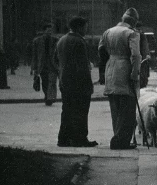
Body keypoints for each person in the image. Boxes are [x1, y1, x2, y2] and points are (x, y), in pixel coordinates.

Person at [99, 8, 142, 150]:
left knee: (115, 109)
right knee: (128, 109)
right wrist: (134, 75)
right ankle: (121, 141)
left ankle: (117, 137)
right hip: (125, 70)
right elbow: (135, 56)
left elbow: (101, 50)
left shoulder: (108, 32)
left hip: (110, 68)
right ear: (134, 21)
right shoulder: (132, 33)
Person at [56, 16, 98, 147]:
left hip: (65, 81)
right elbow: (83, 67)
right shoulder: (79, 42)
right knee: (81, 112)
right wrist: (88, 84)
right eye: (85, 26)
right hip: (79, 83)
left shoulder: (61, 40)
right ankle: (80, 139)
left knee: (67, 111)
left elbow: (55, 60)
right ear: (79, 27)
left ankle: (63, 139)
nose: (87, 29)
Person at [31, 22, 59, 106]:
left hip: (53, 65)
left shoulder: (55, 40)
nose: (49, 32)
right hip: (42, 65)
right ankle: (47, 95)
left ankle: (50, 98)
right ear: (44, 31)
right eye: (48, 30)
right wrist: (34, 67)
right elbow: (35, 55)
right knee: (45, 82)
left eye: (51, 31)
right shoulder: (37, 41)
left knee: (52, 81)